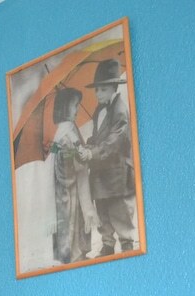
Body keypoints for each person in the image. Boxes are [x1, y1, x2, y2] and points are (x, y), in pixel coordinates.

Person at [76, 59, 137, 256]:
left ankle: (127, 245)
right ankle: (108, 244)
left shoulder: (120, 109)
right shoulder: (99, 110)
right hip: (100, 171)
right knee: (102, 209)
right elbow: (97, 137)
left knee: (119, 210)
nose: (98, 93)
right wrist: (87, 146)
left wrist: (92, 153)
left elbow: (114, 141)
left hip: (117, 171)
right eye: (96, 90)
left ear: (113, 88)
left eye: (103, 89)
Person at [49, 87, 91, 263]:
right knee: (68, 218)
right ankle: (72, 254)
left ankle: (76, 252)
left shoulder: (70, 129)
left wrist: (82, 151)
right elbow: (58, 159)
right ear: (65, 107)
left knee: (75, 218)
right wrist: (77, 155)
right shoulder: (63, 132)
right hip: (67, 187)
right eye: (75, 105)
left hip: (72, 185)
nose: (77, 110)